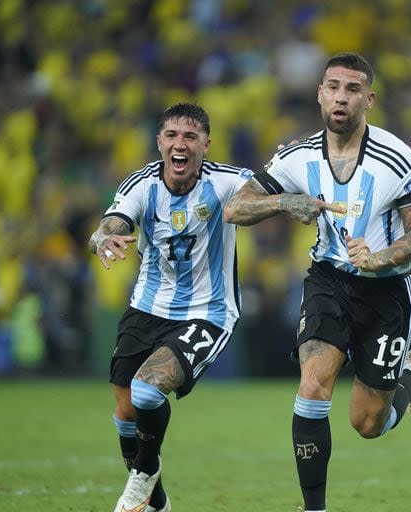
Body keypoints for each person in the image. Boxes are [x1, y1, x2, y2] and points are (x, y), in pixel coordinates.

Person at [224, 53, 411, 512]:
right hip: (328, 281)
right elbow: (235, 209)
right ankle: (313, 509)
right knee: (313, 384)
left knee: (368, 423)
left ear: (369, 99)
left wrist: (380, 257)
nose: (341, 97)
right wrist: (285, 202)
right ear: (320, 93)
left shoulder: (397, 157)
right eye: (333, 86)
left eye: (352, 89)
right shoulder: (297, 156)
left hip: (387, 291)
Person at [88, 103, 253, 512]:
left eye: (191, 137)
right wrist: (102, 236)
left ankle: (142, 477)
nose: (181, 144)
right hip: (146, 307)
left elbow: (263, 190)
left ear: (205, 145)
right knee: (126, 411)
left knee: (147, 390)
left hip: (208, 310)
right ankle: (157, 503)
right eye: (173, 136)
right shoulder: (141, 185)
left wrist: (284, 195)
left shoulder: (228, 182)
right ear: (160, 142)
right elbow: (115, 221)